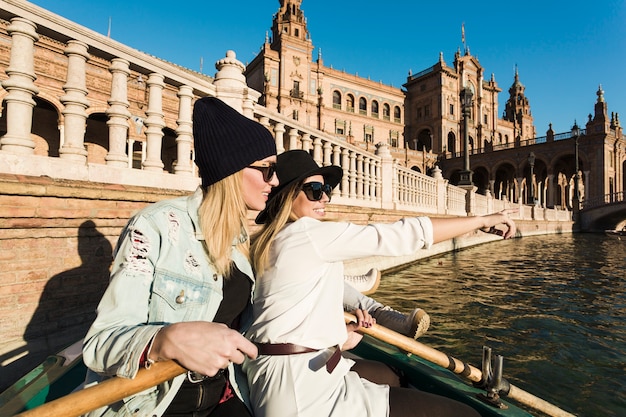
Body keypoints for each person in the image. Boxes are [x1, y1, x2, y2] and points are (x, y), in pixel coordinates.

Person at [244, 149, 517, 417]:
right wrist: (481, 220)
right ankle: (380, 312)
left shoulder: (270, 240)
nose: (325, 196)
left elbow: (283, 320)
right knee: (464, 414)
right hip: (304, 393)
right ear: (289, 195)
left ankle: (379, 311)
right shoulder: (306, 233)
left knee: (392, 376)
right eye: (316, 189)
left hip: (289, 376)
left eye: (327, 188)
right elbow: (400, 235)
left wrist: (338, 337)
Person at [82, 97, 278, 417]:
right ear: (231, 168)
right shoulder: (153, 227)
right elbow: (100, 344)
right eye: (268, 170)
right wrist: (163, 340)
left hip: (223, 396)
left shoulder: (241, 244)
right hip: (151, 405)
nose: (275, 182)